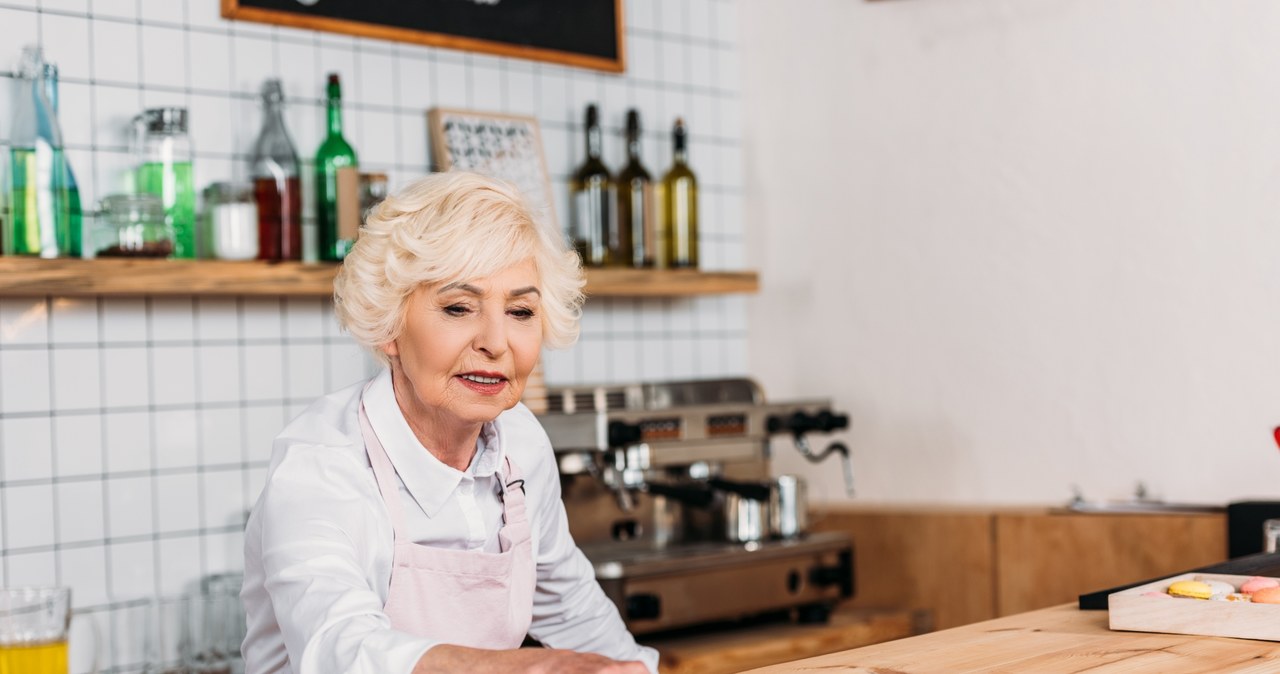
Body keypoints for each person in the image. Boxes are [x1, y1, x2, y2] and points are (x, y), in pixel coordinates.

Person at [240, 172, 658, 674]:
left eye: (521, 310)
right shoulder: (322, 466)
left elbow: (572, 609)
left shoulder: (520, 442)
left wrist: (637, 669)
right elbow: (341, 647)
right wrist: (527, 669)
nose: (496, 342)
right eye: (459, 307)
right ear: (389, 325)